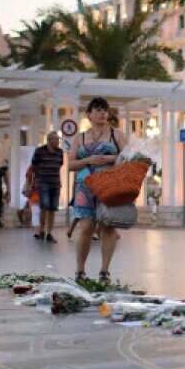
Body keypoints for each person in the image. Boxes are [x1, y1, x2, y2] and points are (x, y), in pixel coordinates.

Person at [69, 97, 129, 283]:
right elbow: (70, 164)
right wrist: (89, 160)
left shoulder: (116, 135)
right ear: (88, 114)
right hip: (84, 187)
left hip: (108, 185)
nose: (103, 113)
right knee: (86, 227)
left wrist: (111, 159)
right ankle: (80, 270)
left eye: (105, 110)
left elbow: (129, 158)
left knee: (108, 226)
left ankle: (104, 271)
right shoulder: (80, 137)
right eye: (98, 110)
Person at [30, 131, 65, 243]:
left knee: (52, 208)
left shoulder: (60, 152)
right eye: (56, 140)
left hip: (55, 183)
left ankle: (49, 232)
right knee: (44, 206)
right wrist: (34, 181)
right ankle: (41, 230)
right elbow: (34, 166)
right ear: (49, 140)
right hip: (43, 182)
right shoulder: (39, 151)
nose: (58, 142)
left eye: (58, 140)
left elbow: (59, 165)